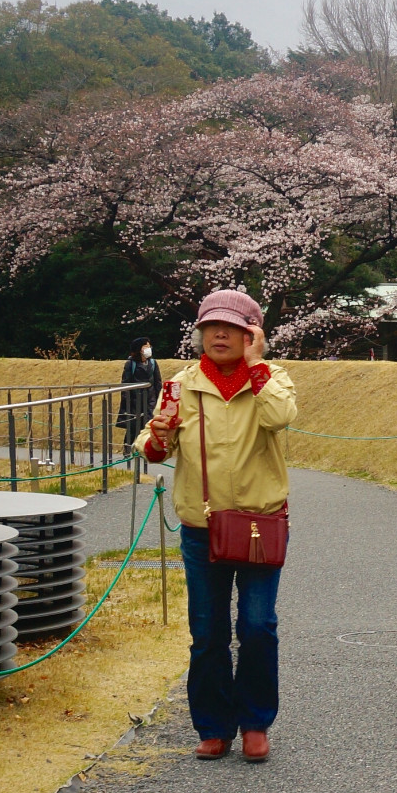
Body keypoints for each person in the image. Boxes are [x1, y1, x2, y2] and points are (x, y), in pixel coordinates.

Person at [139, 291, 297, 763]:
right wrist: (158, 438)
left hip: (259, 524)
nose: (220, 335)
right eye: (212, 327)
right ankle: (212, 725)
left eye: (233, 328)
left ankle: (254, 723)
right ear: (200, 333)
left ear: (253, 335)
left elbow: (280, 416)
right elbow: (150, 444)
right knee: (206, 630)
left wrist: (257, 367)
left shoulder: (272, 380)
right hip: (201, 525)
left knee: (257, 625)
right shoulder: (180, 385)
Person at [117, 337, 162, 448]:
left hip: (150, 400)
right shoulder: (130, 364)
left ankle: (144, 449)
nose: (148, 348)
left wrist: (159, 398)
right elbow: (125, 383)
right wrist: (127, 401)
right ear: (139, 349)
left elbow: (157, 382)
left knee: (148, 425)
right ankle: (127, 449)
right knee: (133, 427)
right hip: (134, 401)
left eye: (149, 346)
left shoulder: (153, 363)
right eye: (145, 346)